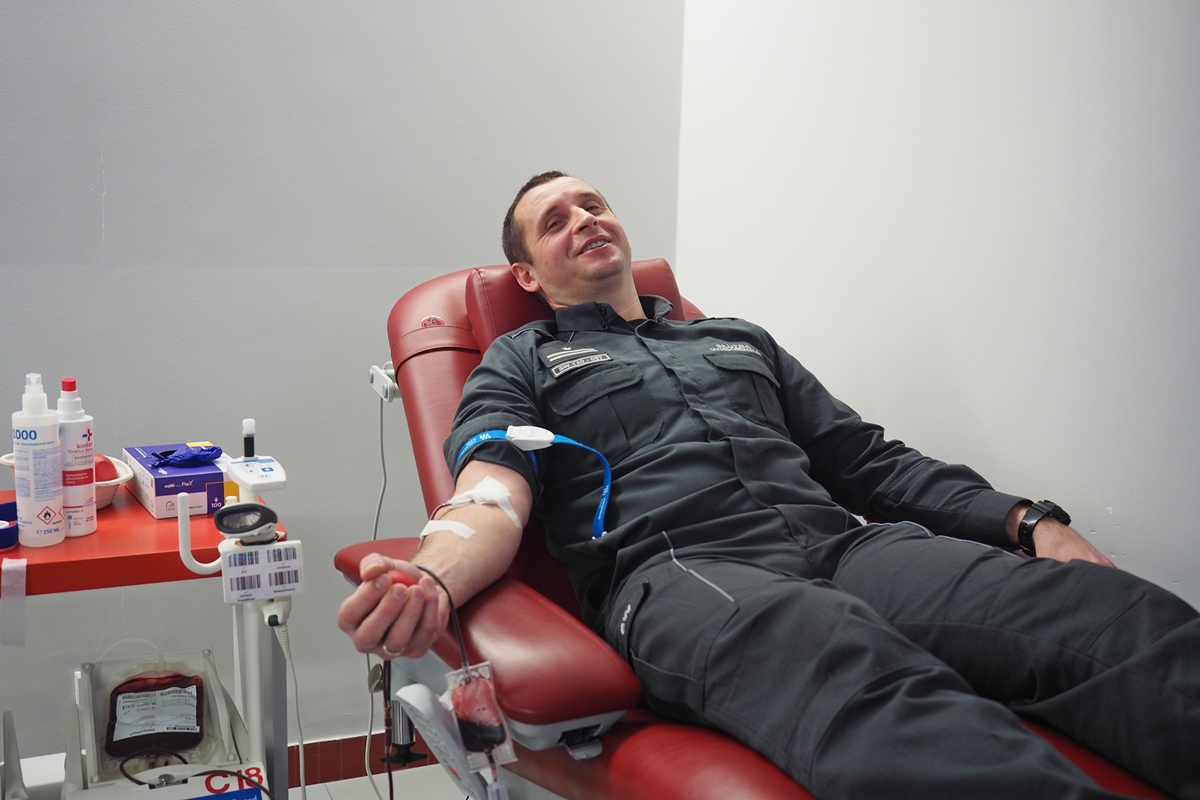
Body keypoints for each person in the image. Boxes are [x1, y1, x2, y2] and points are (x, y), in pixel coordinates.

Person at [339, 171, 1200, 800]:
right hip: (684, 572)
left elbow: (868, 461)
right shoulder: (522, 358)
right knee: (850, 664)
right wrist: (433, 575)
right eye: (554, 220)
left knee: (1106, 617)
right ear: (527, 276)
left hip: (847, 549)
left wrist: (1028, 522)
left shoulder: (737, 339)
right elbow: (490, 493)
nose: (584, 219)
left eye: (593, 203)